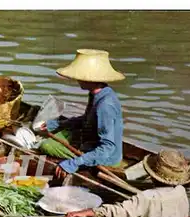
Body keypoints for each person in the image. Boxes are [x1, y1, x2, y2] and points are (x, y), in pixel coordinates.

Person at [38, 49, 125, 180]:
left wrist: (74, 163)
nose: (77, 79)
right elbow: (87, 120)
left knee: (46, 145)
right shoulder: (99, 93)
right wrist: (56, 124)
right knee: (62, 132)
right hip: (90, 141)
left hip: (107, 157)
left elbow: (107, 148)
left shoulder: (105, 105)